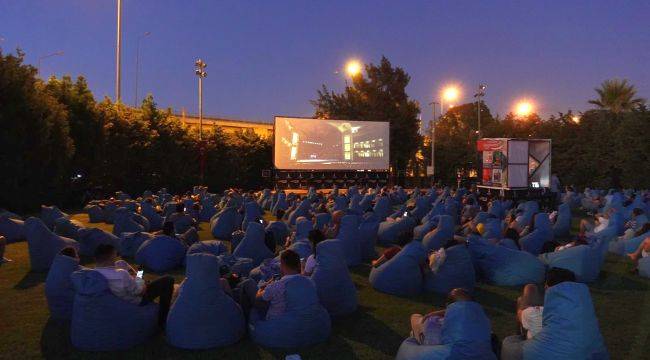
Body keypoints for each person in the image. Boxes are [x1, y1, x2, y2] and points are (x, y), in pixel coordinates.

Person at [93, 244, 174, 327]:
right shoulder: (121, 274)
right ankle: (163, 318)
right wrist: (140, 278)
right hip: (135, 300)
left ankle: (140, 279)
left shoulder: (92, 274)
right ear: (111, 257)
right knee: (168, 279)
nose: (116, 257)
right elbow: (140, 292)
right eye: (115, 255)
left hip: (115, 297)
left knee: (121, 263)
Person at [255, 249, 302, 320]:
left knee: (248, 283)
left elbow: (258, 298)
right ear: (299, 265)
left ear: (282, 265)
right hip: (298, 319)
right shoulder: (309, 282)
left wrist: (264, 286)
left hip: (276, 321)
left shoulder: (277, 286)